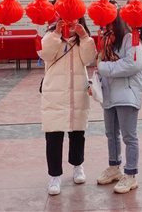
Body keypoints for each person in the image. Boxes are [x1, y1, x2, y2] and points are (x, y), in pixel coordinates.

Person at [38, 17, 97, 196]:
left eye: (74, 19)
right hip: (55, 93)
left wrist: (84, 36)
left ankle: (78, 166)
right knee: (53, 136)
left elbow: (89, 59)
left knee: (77, 132)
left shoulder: (82, 38)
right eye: (66, 19)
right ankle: (54, 176)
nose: (70, 23)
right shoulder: (50, 36)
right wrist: (57, 33)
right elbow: (45, 54)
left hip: (77, 92)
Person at [96, 11, 142, 194]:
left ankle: (131, 174)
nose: (105, 27)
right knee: (111, 134)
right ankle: (114, 167)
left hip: (127, 93)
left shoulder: (130, 39)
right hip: (109, 94)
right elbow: (100, 65)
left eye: (108, 23)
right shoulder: (106, 41)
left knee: (129, 136)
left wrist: (103, 67)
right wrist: (96, 83)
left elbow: (132, 64)